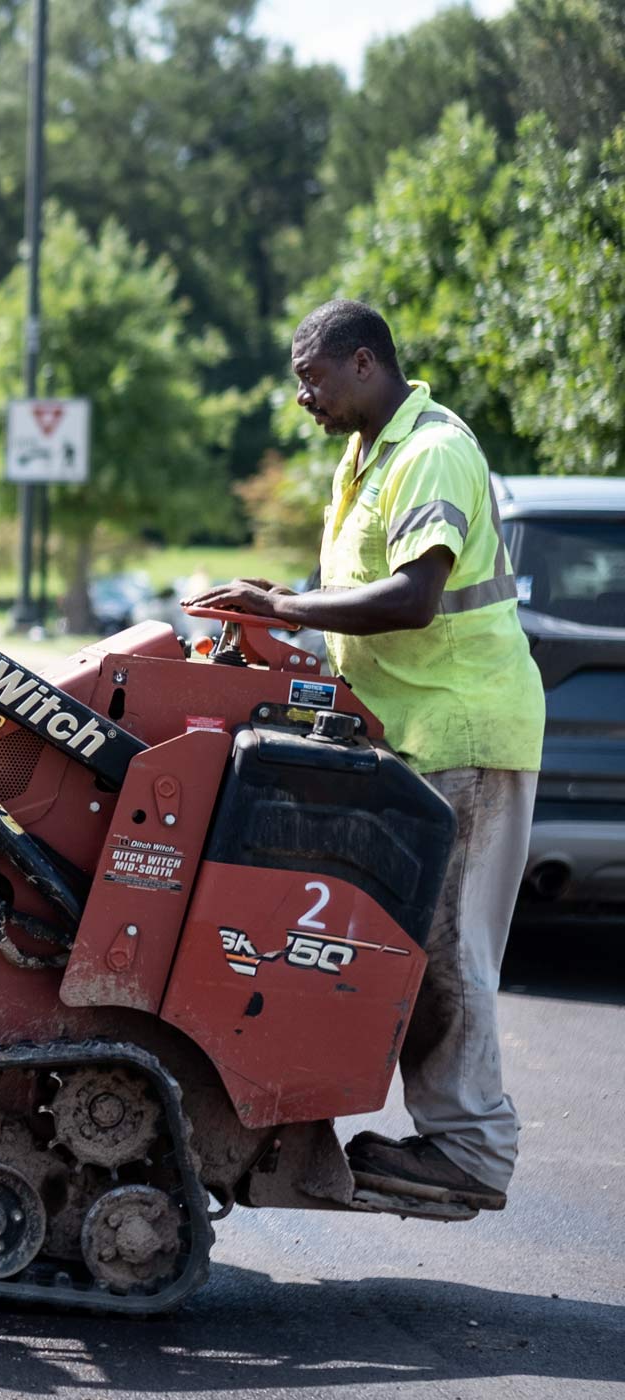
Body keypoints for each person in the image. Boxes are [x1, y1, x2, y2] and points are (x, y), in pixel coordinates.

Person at [187, 298, 543, 1212]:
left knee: (447, 948)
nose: (301, 397)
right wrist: (275, 626)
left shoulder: (431, 451)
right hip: (412, 731)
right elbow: (356, 604)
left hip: (462, 730)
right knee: (402, 947)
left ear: (362, 364)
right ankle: (436, 1129)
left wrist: (287, 609)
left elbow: (415, 597)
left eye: (310, 377)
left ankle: (471, 1148)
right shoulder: (368, 455)